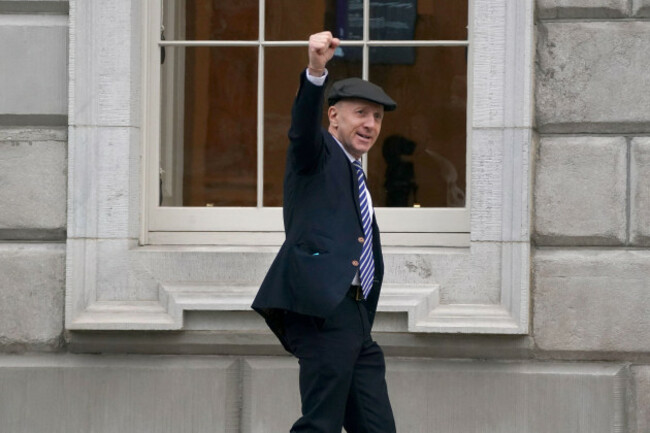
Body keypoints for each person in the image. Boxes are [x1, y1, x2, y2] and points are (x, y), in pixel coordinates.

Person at [252, 31, 397, 433]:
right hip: (321, 310)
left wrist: (361, 311)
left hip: (353, 314)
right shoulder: (314, 154)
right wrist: (316, 71)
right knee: (321, 425)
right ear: (334, 115)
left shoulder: (356, 172)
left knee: (376, 426)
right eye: (361, 113)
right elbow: (301, 127)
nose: (370, 124)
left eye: (378, 117)